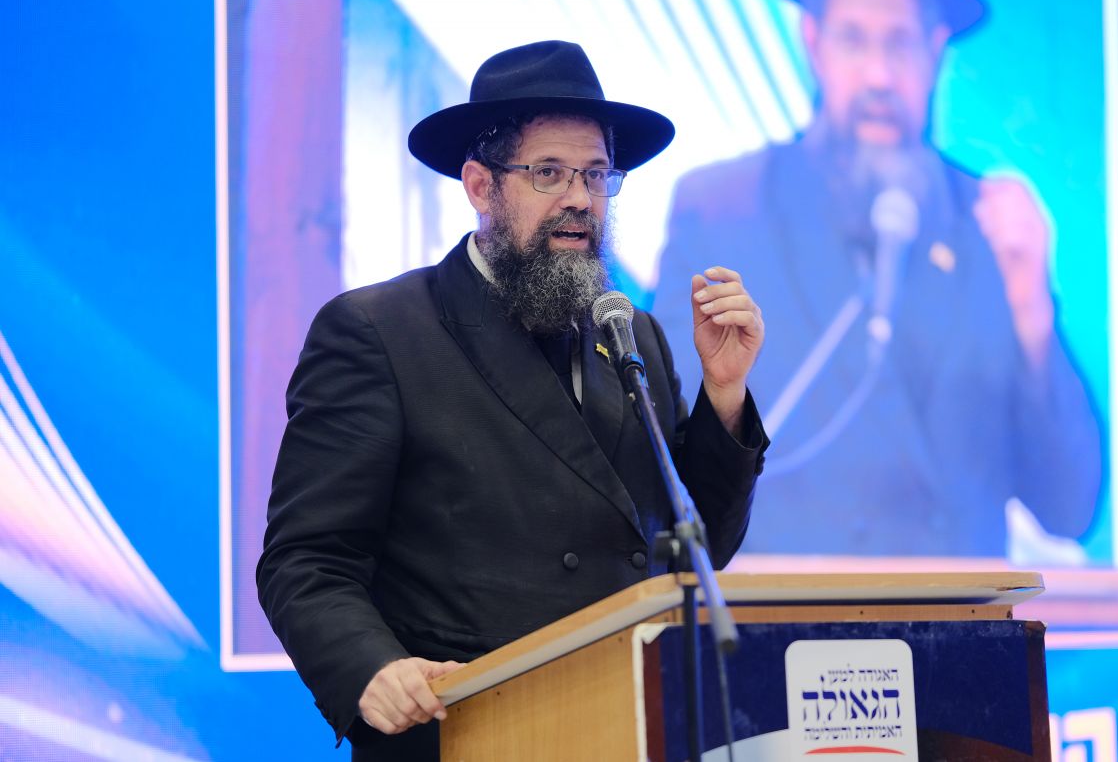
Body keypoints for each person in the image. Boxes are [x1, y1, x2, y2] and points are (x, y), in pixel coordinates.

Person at [257, 40, 767, 761]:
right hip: (467, 729)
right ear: (479, 185)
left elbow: (699, 545)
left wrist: (725, 393)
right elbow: (307, 560)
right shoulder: (379, 332)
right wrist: (371, 668)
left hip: (631, 726)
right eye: (548, 172)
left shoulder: (632, 333)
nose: (580, 199)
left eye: (596, 174)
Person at [652, 0, 1101, 556]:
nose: (879, 76)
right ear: (814, 43)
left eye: (900, 43)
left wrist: (1032, 308)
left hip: (955, 616)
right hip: (772, 612)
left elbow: (1070, 507)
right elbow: (665, 467)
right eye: (854, 40)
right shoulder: (722, 210)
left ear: (935, 51)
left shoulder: (990, 228)